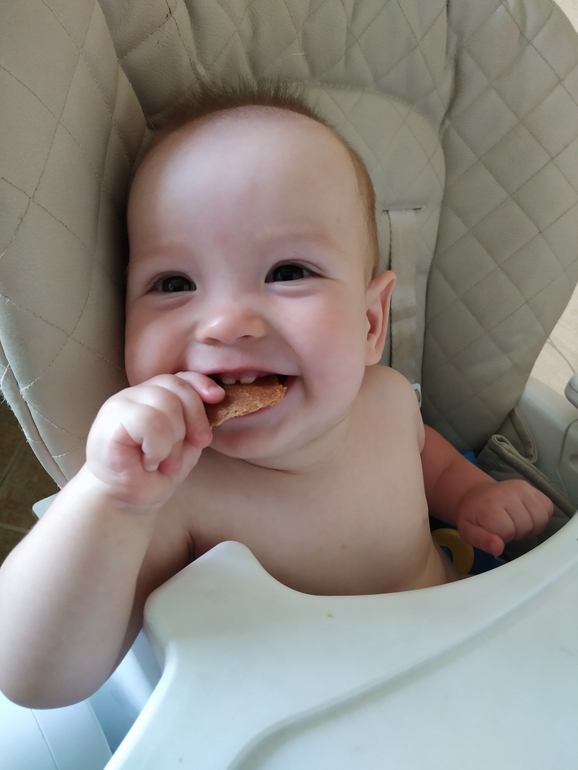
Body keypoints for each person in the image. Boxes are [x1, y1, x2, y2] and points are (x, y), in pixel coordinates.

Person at [0, 81, 553, 709]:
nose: (225, 323)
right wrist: (109, 497)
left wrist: (472, 494)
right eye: (173, 283)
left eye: (287, 272)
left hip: (468, 635)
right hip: (326, 717)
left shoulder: (388, 398)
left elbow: (426, 459)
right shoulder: (175, 494)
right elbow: (32, 678)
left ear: (371, 322)